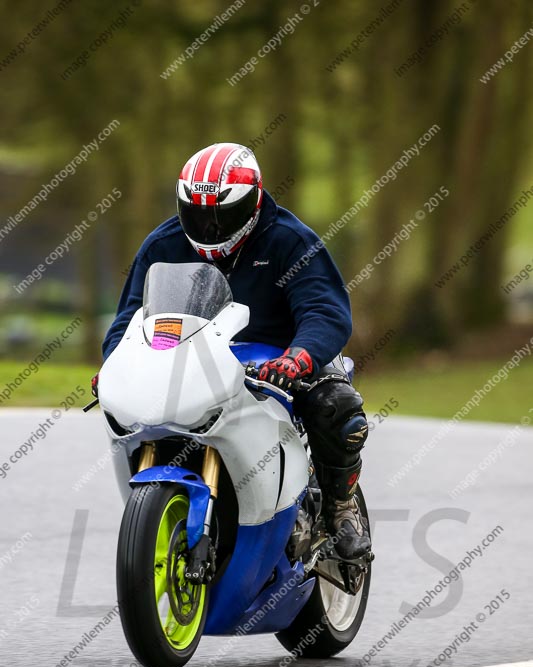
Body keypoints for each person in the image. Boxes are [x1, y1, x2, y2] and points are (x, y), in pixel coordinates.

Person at [96, 142, 370, 559]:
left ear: (253, 202)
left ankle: (340, 507)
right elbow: (129, 319)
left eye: (222, 215)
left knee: (336, 405)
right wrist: (116, 364)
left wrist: (299, 356)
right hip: (196, 359)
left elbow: (325, 311)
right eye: (198, 214)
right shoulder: (162, 245)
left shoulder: (291, 240)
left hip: (285, 354)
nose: (209, 227)